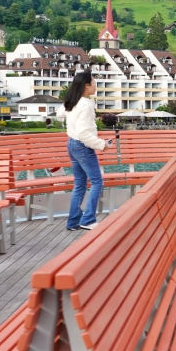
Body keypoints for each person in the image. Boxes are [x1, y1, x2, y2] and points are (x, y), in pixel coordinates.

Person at [58, 70, 112, 231]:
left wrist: (70, 98)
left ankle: (73, 222)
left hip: (72, 145)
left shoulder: (72, 102)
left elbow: (60, 113)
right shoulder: (87, 104)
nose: (96, 86)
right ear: (86, 85)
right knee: (97, 182)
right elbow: (83, 132)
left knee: (80, 184)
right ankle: (88, 219)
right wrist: (101, 144)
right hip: (82, 146)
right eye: (94, 83)